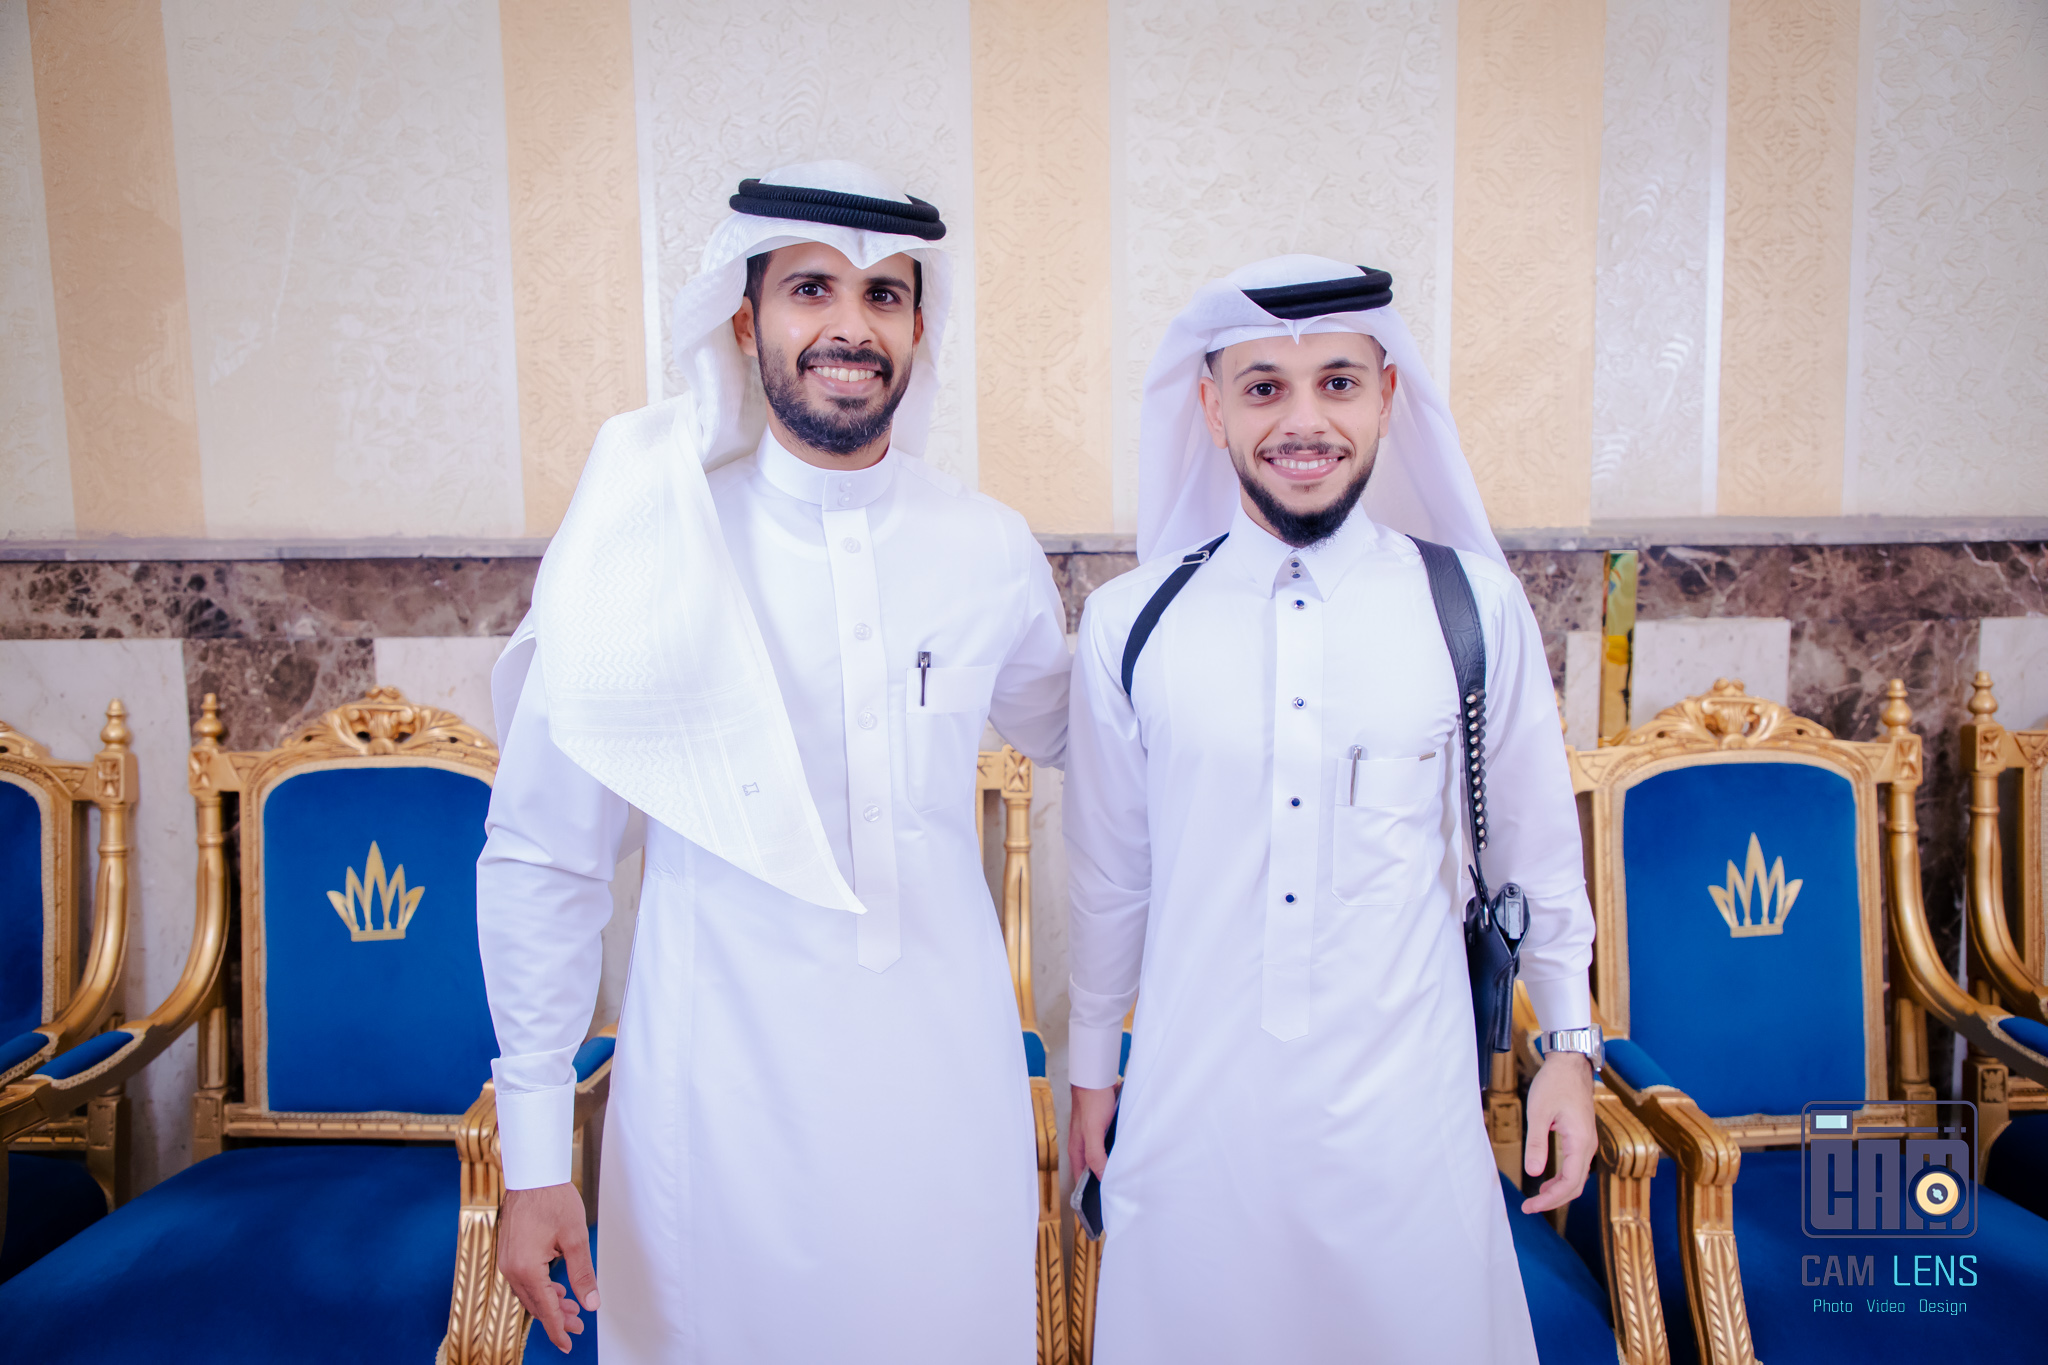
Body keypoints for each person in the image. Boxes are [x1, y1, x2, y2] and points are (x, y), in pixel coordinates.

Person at [477, 162, 1070, 1363]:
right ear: (744, 322)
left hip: (946, 1103)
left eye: (884, 294)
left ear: (917, 330)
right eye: (811, 289)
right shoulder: (646, 548)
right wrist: (533, 1157)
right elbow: (544, 853)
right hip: (718, 1112)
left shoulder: (989, 550)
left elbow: (1082, 736)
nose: (850, 325)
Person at [1063, 256, 1600, 1362]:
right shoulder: (1131, 623)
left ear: (1387, 397)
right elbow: (1111, 874)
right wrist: (1090, 1070)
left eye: (1338, 383)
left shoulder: (1471, 605)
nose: (1303, 421)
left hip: (1407, 1133)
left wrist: (1569, 1047)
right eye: (1263, 386)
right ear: (1210, 407)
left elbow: (1535, 848)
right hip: (1194, 1124)